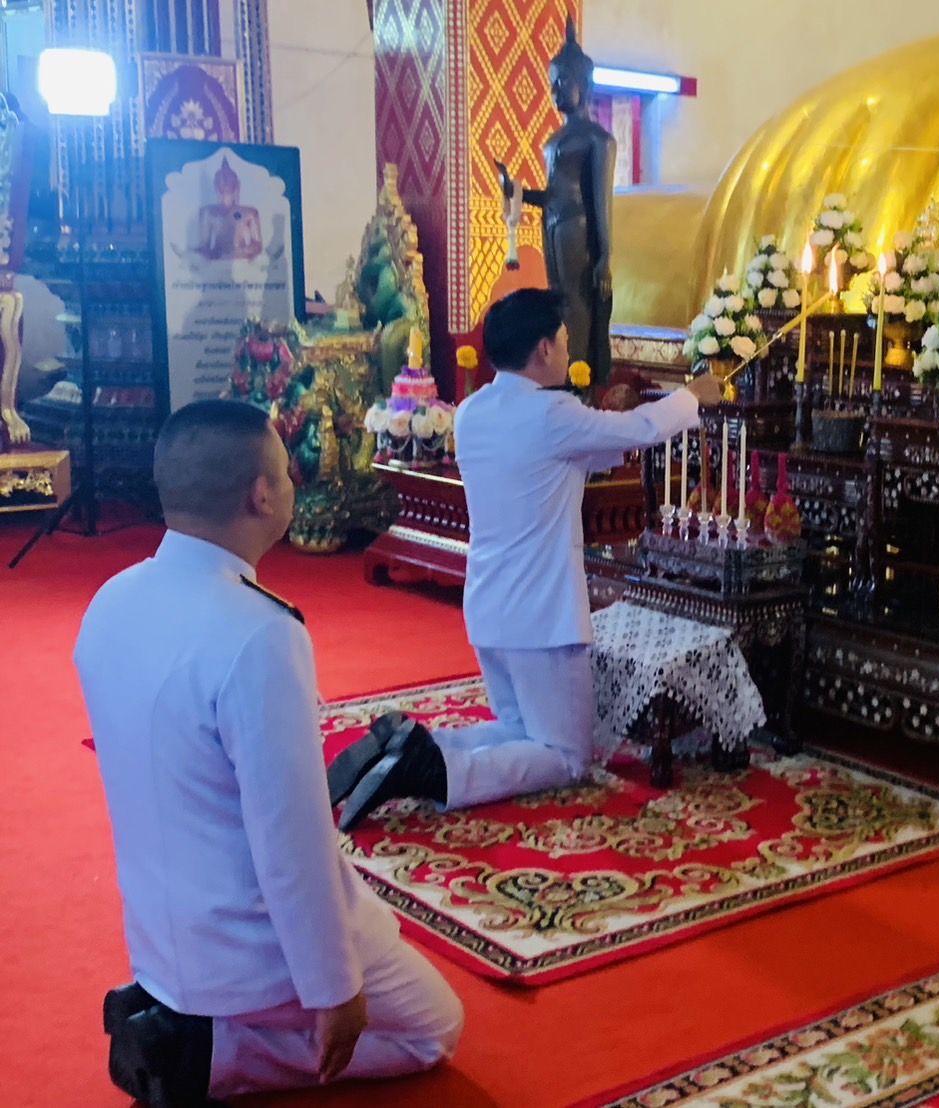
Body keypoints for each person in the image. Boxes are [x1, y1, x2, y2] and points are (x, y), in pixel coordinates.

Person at [75, 400, 463, 1107]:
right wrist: (332, 987)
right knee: (435, 1026)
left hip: (158, 936)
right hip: (248, 949)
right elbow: (292, 841)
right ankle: (209, 1056)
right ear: (261, 495)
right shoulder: (258, 633)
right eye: (286, 472)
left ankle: (178, 1021)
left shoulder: (111, 600)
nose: (292, 483)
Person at [329, 288, 722, 829]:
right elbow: (640, 430)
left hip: (490, 607)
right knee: (566, 756)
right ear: (543, 348)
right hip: (541, 615)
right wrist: (693, 396)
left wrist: (616, 422)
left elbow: (580, 452)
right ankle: (433, 772)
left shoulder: (473, 412)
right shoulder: (552, 414)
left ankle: (408, 745)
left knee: (520, 732)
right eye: (564, 340)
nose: (568, 350)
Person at [496, 16, 616, 386]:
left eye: (562, 82)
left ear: (584, 83)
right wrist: (515, 189)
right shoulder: (554, 141)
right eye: (552, 84)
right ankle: (561, 378)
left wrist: (604, 257)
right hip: (553, 227)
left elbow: (601, 202)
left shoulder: (597, 139)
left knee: (578, 307)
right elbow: (552, 194)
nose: (555, 92)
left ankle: (581, 380)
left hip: (578, 232)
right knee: (558, 304)